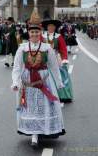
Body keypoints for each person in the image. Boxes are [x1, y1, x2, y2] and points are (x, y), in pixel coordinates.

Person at [12, 9, 66, 147]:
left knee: (45, 106)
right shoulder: (22, 48)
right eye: (32, 32)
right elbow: (17, 67)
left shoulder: (47, 48)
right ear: (29, 33)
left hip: (44, 80)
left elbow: (53, 67)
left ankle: (45, 129)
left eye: (37, 32)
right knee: (30, 107)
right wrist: (15, 82)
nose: (34, 34)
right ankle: (34, 135)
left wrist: (59, 82)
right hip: (28, 81)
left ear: (40, 32)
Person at [42, 19, 73, 103]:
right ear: (47, 27)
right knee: (46, 77)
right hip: (46, 59)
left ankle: (64, 96)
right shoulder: (43, 36)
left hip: (56, 58)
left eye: (52, 26)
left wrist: (64, 59)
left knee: (61, 76)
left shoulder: (59, 37)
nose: (51, 28)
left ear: (55, 27)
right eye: (49, 26)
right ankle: (49, 95)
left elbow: (63, 49)